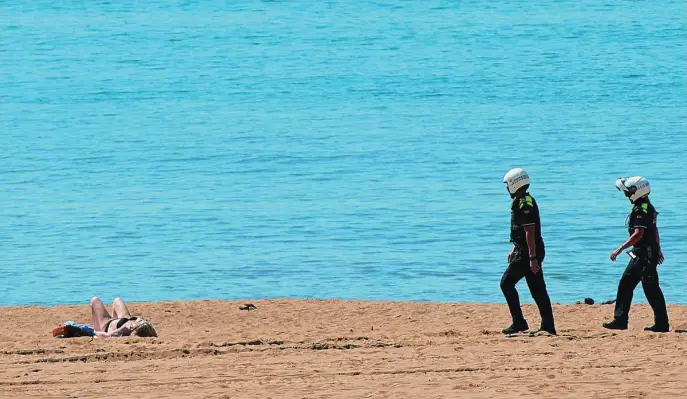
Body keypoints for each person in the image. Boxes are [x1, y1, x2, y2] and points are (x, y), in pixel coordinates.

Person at [603, 176, 669, 332]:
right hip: (644, 254)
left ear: (637, 191)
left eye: (628, 192)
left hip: (644, 256)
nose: (626, 195)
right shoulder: (648, 206)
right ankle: (621, 321)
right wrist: (658, 249)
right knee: (627, 285)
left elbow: (638, 234)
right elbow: (655, 231)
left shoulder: (641, 209)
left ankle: (661, 324)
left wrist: (619, 248)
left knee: (650, 289)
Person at [500, 168, 556, 335]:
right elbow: (522, 232)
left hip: (528, 253)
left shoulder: (524, 203)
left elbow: (529, 232)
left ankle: (519, 322)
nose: (506, 188)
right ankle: (548, 326)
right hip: (526, 251)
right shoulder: (524, 200)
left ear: (514, 184)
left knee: (506, 284)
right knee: (537, 288)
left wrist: (532, 258)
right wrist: (514, 248)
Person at [90, 297, 158, 338]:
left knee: (94, 300)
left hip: (107, 325)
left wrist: (94, 333)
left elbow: (107, 335)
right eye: (140, 321)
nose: (140, 321)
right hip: (124, 318)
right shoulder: (144, 325)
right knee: (117, 300)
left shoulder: (126, 329)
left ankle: (97, 328)